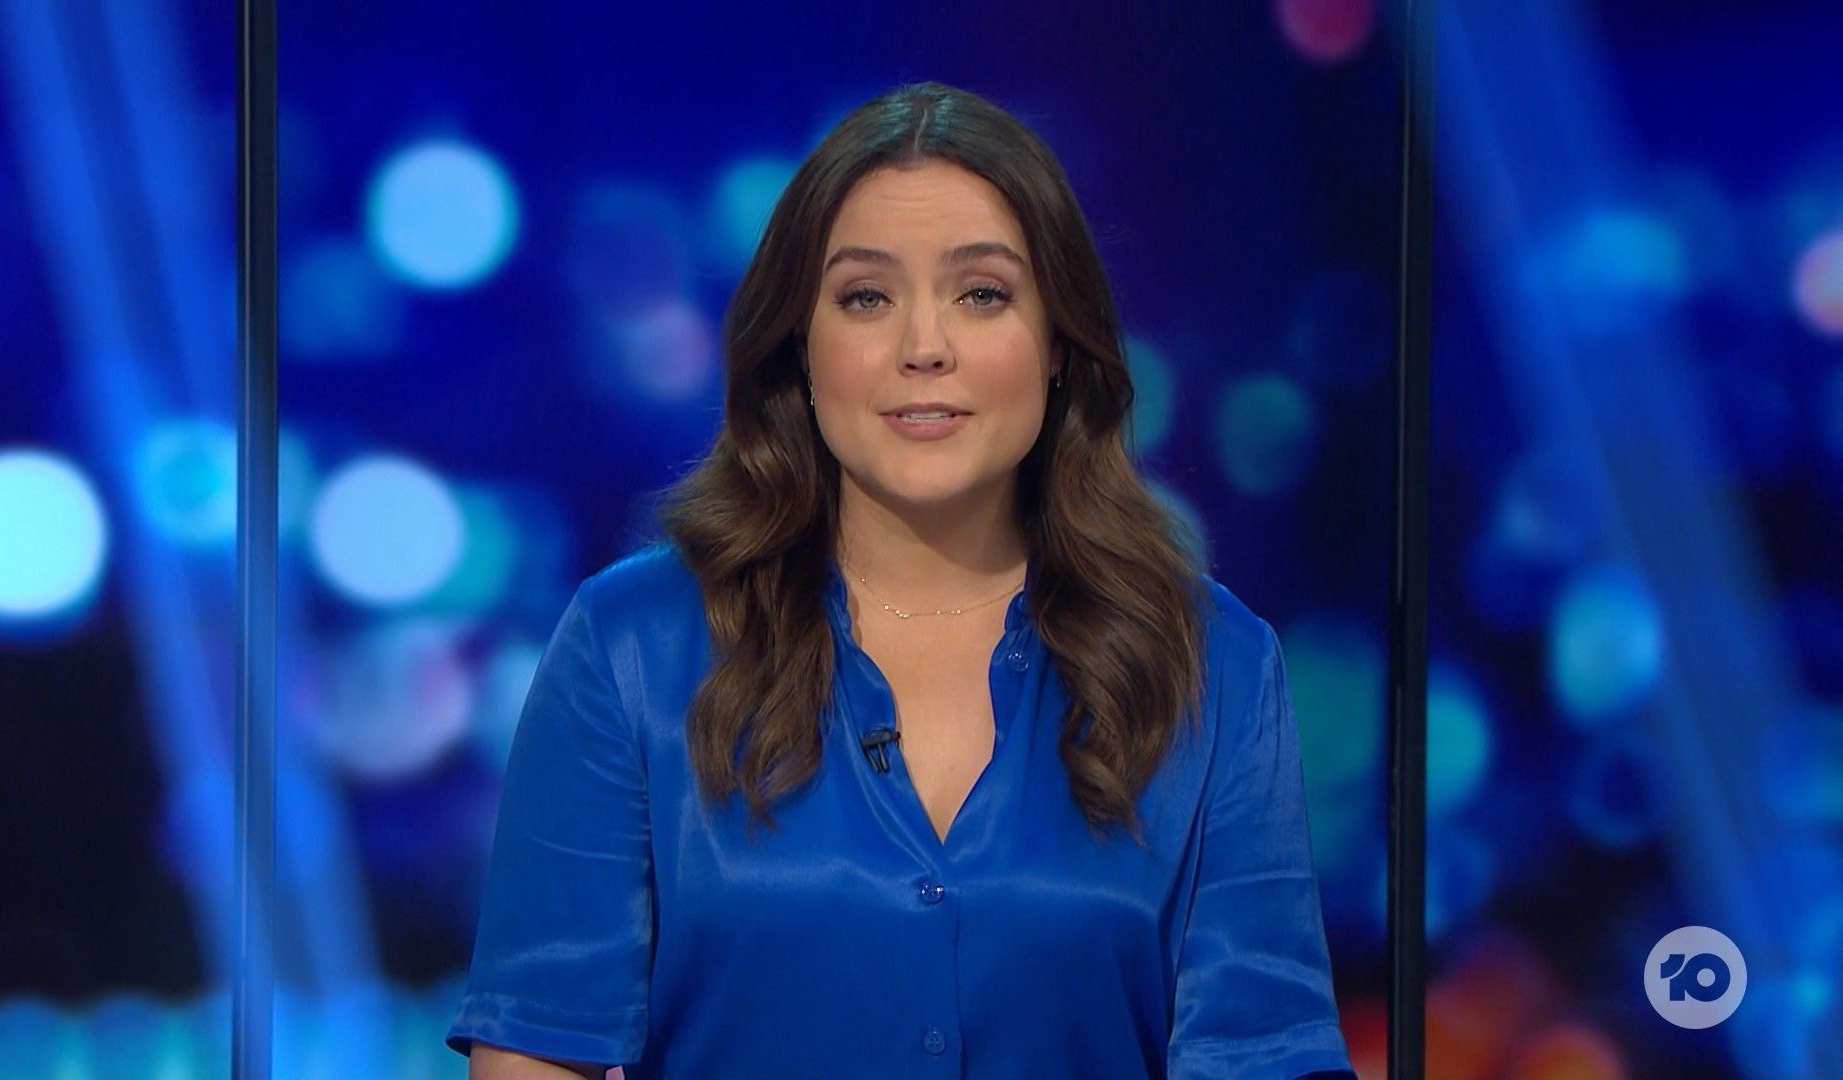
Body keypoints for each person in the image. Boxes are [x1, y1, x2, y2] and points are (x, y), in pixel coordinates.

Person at [447, 80, 1355, 1080]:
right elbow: (535, 1054)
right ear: (801, 344)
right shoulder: (632, 647)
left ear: (1060, 342)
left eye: (983, 294)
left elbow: (1261, 1055)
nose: (925, 348)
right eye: (867, 298)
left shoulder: (1214, 666)